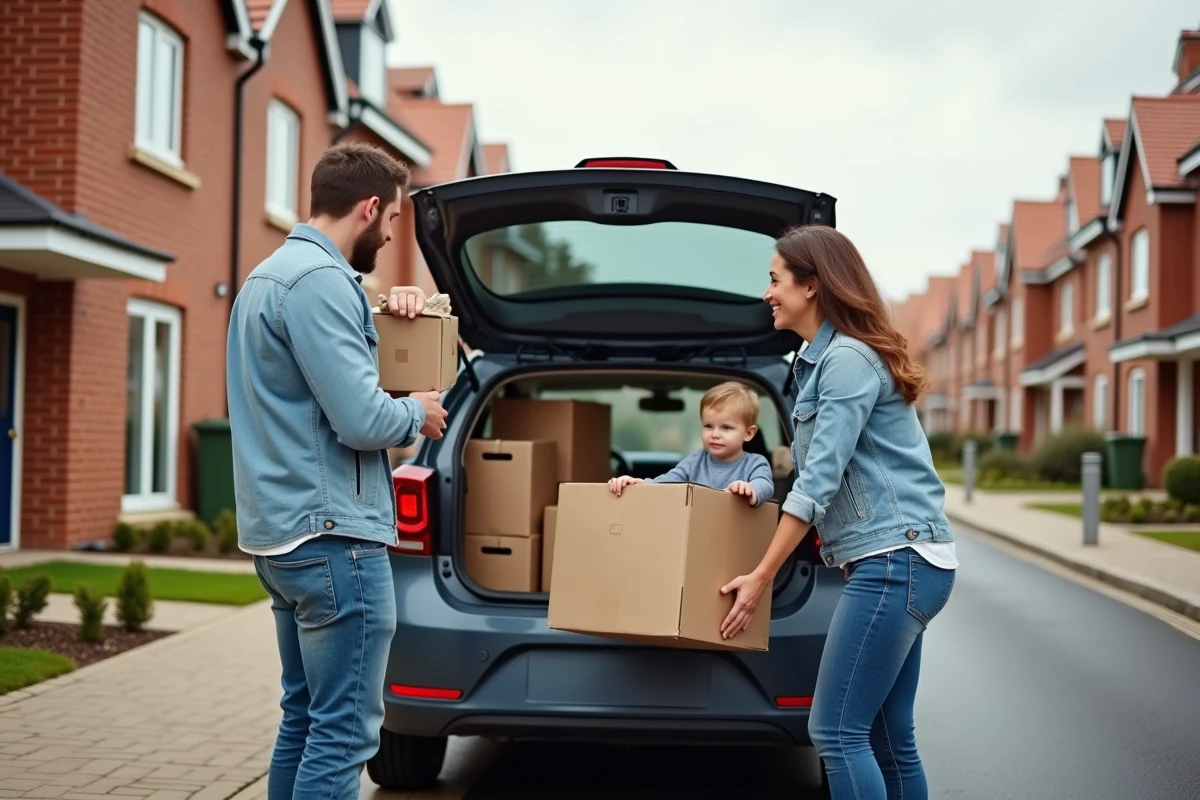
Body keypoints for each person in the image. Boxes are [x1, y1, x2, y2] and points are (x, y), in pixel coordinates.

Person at [226, 142, 448, 800]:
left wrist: (397, 314)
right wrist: (418, 413)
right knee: (345, 732)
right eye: (391, 221)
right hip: (333, 542)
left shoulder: (269, 277)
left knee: (306, 719)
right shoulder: (320, 284)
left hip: (283, 536)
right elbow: (361, 420)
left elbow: (317, 392)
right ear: (369, 206)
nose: (388, 236)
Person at [719, 225, 957, 800]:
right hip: (908, 560)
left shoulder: (846, 360)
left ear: (812, 285)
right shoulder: (824, 361)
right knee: (885, 734)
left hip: (894, 560)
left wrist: (760, 578)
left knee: (835, 731)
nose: (766, 293)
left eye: (775, 280)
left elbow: (818, 482)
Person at [608, 381, 774, 506]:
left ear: (748, 433)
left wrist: (750, 490)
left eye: (726, 428)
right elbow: (667, 481)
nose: (715, 434)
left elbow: (765, 485)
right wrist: (640, 483)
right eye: (708, 426)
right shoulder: (696, 461)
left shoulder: (755, 463)